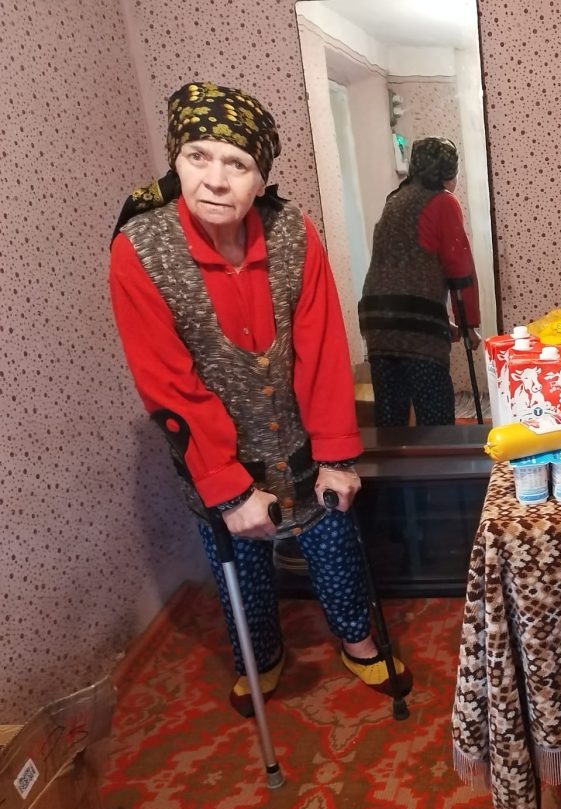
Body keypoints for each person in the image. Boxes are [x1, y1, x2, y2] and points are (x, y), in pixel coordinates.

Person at [109, 82, 411, 716]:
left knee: (335, 546)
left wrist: (335, 455)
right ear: (176, 160)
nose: (216, 180)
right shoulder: (140, 250)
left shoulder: (292, 233)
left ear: (259, 177)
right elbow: (167, 383)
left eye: (237, 164)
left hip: (300, 442)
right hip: (212, 457)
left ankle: (357, 642)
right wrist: (228, 488)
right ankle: (262, 655)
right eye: (197, 157)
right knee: (239, 567)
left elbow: (323, 350)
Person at [359, 137, 482, 426]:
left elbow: (404, 273)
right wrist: (468, 326)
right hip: (416, 325)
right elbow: (459, 269)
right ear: (449, 174)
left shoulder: (395, 199)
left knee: (391, 415)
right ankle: (440, 455)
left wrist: (444, 323)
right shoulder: (443, 201)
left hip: (377, 319)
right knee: (435, 414)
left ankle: (393, 455)